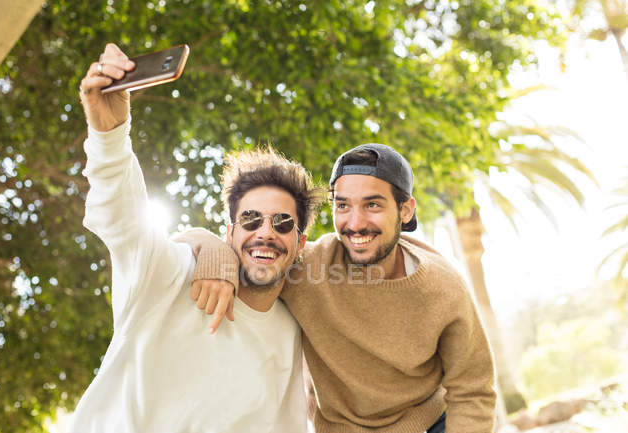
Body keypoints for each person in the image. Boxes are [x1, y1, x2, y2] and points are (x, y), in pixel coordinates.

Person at [72, 43, 324, 433]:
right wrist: (108, 134)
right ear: (230, 232)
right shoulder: (169, 274)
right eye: (251, 219)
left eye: (283, 223)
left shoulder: (294, 331)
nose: (265, 233)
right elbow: (122, 216)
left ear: (301, 243)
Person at [176, 144, 497, 433]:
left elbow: (473, 390)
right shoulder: (309, 267)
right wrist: (216, 255)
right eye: (343, 206)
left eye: (372, 205)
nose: (355, 222)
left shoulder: (442, 287)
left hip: (427, 426)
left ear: (406, 210)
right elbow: (213, 243)